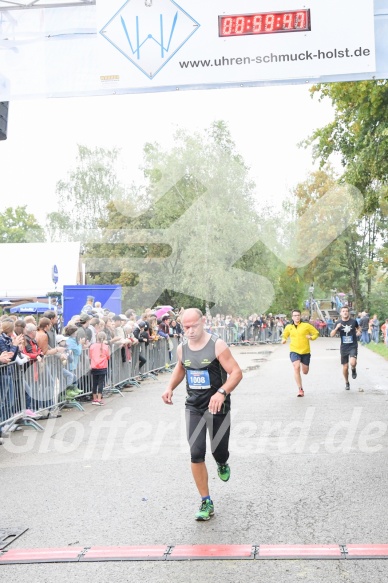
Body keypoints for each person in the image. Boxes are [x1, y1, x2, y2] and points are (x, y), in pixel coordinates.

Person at [161, 308, 242, 522]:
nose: (189, 331)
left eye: (193, 326)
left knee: (219, 451)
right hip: (194, 406)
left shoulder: (217, 345)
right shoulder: (182, 349)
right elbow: (181, 368)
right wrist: (170, 387)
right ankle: (206, 501)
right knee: (196, 453)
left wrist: (222, 392)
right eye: (185, 327)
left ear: (203, 322)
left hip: (218, 406)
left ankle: (222, 462)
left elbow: (236, 373)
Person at [281, 309, 319, 397]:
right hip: (294, 351)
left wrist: (311, 337)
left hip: (305, 351)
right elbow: (285, 334)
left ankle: (302, 363)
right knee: (296, 367)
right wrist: (283, 339)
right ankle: (300, 389)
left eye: (298, 315)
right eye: (295, 315)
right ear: (292, 317)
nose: (297, 317)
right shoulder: (289, 326)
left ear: (300, 316)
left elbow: (316, 333)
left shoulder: (306, 325)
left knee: (305, 371)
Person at [330, 306, 361, 390]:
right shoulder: (338, 322)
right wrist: (337, 328)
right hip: (344, 347)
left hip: (353, 345)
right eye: (343, 311)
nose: (345, 312)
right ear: (341, 313)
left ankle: (353, 369)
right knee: (345, 367)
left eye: (346, 311)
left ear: (348, 313)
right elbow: (331, 335)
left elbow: (358, 328)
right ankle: (347, 382)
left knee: (353, 362)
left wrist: (358, 331)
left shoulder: (353, 321)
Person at [89, 331, 110, 405]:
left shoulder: (92, 346)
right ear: (105, 338)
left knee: (94, 382)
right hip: (103, 366)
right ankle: (99, 399)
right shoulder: (106, 346)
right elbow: (108, 356)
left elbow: (90, 355)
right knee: (101, 382)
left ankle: (94, 399)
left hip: (94, 365)